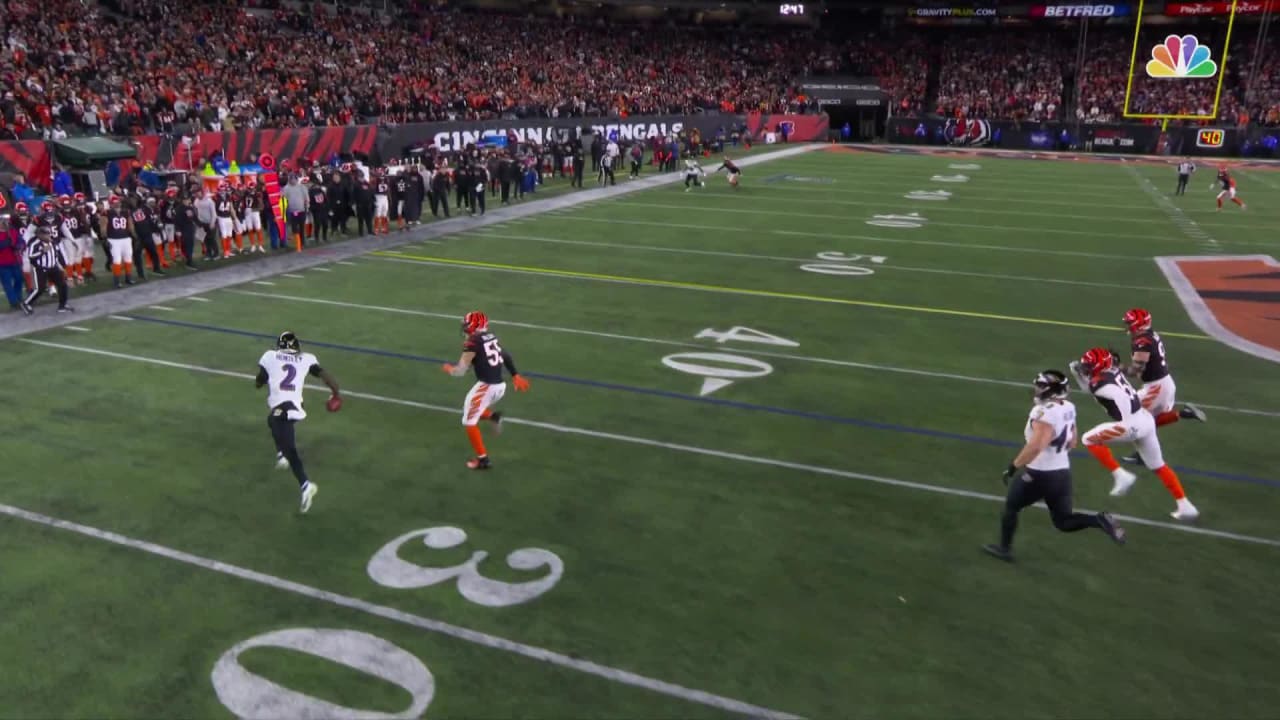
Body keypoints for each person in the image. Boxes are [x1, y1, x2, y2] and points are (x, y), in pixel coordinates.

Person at [983, 370, 1125, 561]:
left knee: (1011, 507)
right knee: (1063, 521)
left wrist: (1013, 466)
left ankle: (1004, 549)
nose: (1037, 389)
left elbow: (1036, 446)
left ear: (1051, 390)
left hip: (1040, 474)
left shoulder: (1043, 413)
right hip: (1062, 474)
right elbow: (1073, 440)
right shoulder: (1068, 407)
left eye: (1041, 386)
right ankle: (1098, 520)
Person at [1070, 347, 1199, 521]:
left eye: (1089, 366)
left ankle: (1121, 476)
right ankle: (1185, 505)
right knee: (1158, 466)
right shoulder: (1113, 371)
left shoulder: (1099, 383)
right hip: (1144, 418)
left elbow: (1091, 389)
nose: (1086, 369)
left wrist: (1078, 375)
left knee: (1088, 439)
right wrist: (1080, 373)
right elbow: (1097, 386)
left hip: (1132, 424)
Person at [255, 331, 341, 513]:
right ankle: (282, 456)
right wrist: (336, 393)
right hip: (293, 404)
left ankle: (305, 485)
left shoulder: (270, 356)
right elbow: (326, 376)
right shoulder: (306, 359)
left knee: (288, 445)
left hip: (285, 408)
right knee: (273, 421)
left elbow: (260, 379)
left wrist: (260, 381)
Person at [441, 311, 531, 469]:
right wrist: (515, 374)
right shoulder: (490, 337)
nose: (465, 328)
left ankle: (483, 460)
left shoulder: (472, 343)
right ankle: (493, 417)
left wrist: (449, 369)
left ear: (475, 325)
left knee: (469, 421)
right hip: (499, 387)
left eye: (467, 325)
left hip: (486, 387)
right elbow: (505, 354)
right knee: (469, 409)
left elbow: (461, 371)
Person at [1117, 308, 1205, 464]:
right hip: (1163, 383)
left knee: (1133, 419)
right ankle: (1184, 414)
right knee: (1148, 421)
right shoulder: (1148, 335)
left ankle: (1145, 456)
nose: (1127, 326)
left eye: (1130, 323)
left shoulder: (1142, 341)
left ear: (1138, 323)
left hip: (1156, 388)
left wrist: (1116, 368)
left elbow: (1136, 370)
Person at [21, 227, 72, 314]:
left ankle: (62, 306)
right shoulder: (35, 244)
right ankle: (26, 303)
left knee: (63, 285)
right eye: (45, 234)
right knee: (40, 289)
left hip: (53, 267)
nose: (48, 235)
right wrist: (42, 252)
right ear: (39, 235)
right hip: (41, 268)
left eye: (48, 233)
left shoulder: (53, 242)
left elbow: (56, 255)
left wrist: (61, 266)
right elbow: (31, 257)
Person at [0, 215, 23, 311]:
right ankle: (13, 301)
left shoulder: (13, 231)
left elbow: (22, 242)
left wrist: (19, 246)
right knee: (7, 284)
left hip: (15, 261)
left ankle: (18, 297)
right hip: (3, 264)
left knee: (19, 280)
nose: (5, 223)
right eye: (3, 221)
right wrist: (6, 243)